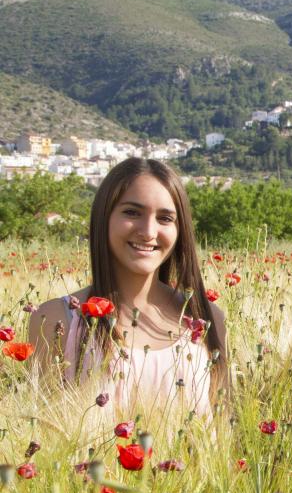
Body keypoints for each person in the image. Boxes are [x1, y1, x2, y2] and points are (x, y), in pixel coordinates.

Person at [28, 158, 226, 421]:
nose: (148, 231)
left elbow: (224, 428)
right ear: (104, 218)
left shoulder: (207, 320)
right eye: (132, 213)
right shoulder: (57, 319)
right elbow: (43, 435)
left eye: (165, 218)